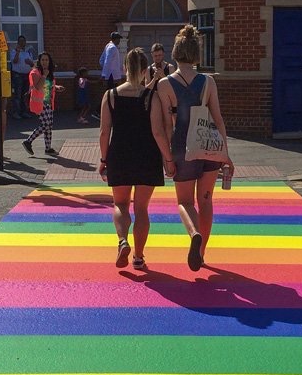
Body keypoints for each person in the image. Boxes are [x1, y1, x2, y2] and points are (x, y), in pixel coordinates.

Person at [154, 24, 233, 271]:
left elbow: (168, 125)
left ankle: (194, 233)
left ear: (175, 53)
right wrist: (225, 153)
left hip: (182, 146)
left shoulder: (165, 85)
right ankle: (202, 252)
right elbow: (218, 118)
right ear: (196, 54)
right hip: (208, 146)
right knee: (206, 201)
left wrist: (167, 158)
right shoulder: (208, 82)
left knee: (184, 202)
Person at [99, 48, 170, 270]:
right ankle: (138, 257)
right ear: (143, 70)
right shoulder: (151, 97)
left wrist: (103, 159)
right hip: (146, 156)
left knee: (120, 204)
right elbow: (158, 132)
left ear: (124, 68)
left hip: (119, 154)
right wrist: (168, 159)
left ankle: (122, 240)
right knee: (141, 209)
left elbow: (104, 132)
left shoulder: (110, 96)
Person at [22, 52, 64, 156]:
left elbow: (48, 86)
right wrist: (44, 75)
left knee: (49, 126)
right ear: (39, 61)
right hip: (39, 103)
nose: (45, 62)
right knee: (45, 125)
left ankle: (48, 148)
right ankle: (28, 141)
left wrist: (56, 87)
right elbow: (38, 87)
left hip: (49, 102)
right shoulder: (34, 73)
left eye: (47, 60)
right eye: (43, 60)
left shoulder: (49, 73)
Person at [10, 35, 34, 119]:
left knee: (25, 95)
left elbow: (32, 64)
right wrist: (17, 52)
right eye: (20, 41)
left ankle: (24, 112)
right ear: (18, 42)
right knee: (17, 94)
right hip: (18, 75)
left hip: (27, 75)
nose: (22, 43)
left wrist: (30, 62)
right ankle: (16, 112)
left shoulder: (28, 52)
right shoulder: (14, 51)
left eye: (23, 41)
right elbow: (15, 61)